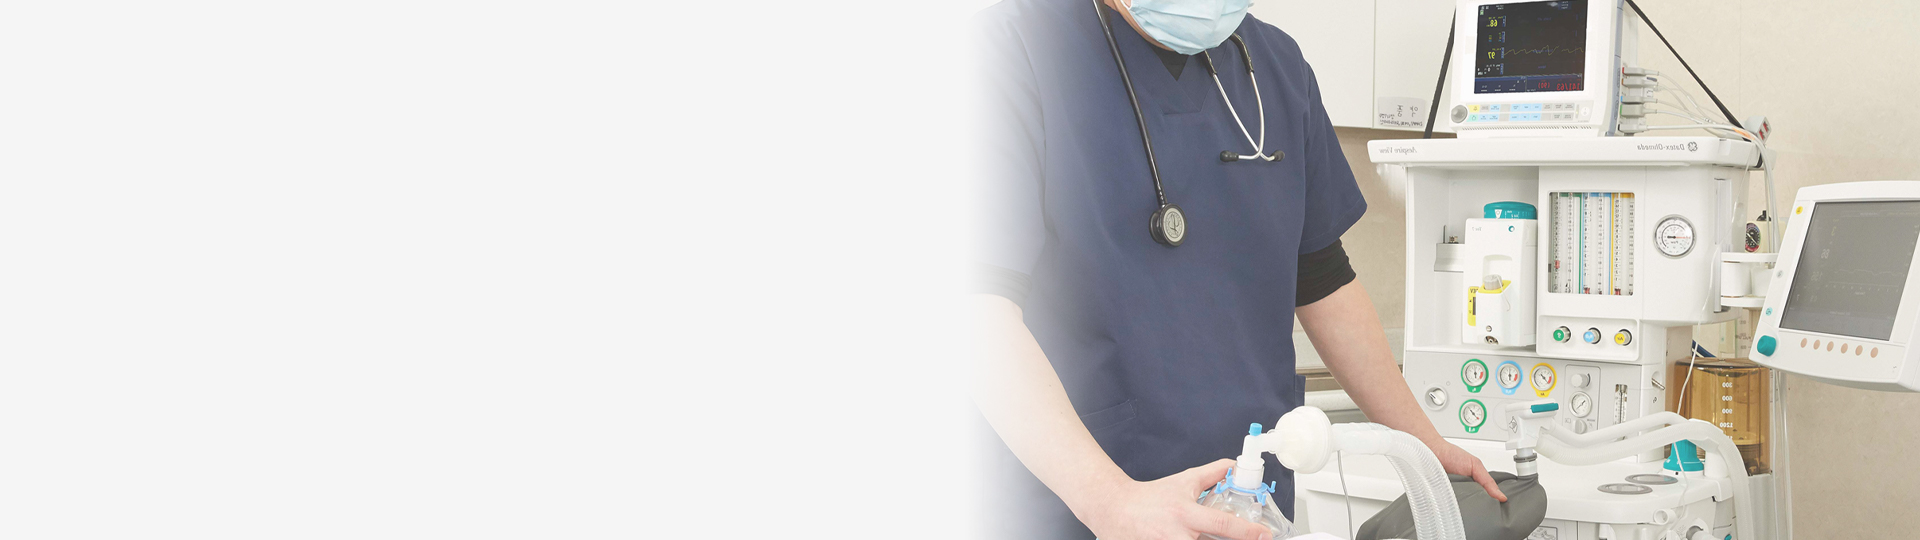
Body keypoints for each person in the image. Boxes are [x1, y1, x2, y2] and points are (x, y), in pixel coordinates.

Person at [968, 0, 1508, 539]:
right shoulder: (1012, 49)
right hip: (1080, 504)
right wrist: (1109, 500)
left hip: (1249, 501)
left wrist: (1423, 445)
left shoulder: (1277, 66)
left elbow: (1322, 278)